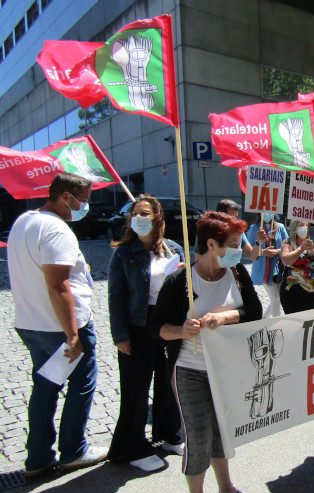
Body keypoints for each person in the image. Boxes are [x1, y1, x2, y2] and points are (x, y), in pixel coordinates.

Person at [148, 211, 262, 493]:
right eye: (234, 244)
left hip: (226, 370)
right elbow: (157, 329)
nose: (241, 251)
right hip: (191, 371)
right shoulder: (180, 282)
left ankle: (225, 487)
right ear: (212, 245)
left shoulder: (237, 273)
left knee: (221, 430)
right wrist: (183, 330)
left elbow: (253, 312)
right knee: (198, 436)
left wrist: (223, 318)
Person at [8, 172, 107, 477]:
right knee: (81, 383)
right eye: (84, 201)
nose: (85, 207)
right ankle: (74, 450)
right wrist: (73, 334)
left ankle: (38, 458)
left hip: (32, 323)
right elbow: (58, 286)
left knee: (46, 387)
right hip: (60, 327)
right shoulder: (56, 230)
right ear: (67, 196)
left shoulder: (24, 221)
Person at [107, 195, 185, 472]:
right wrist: (120, 335)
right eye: (135, 214)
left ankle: (169, 434)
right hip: (137, 327)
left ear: (158, 219)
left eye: (145, 214)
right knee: (136, 389)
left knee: (168, 381)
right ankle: (130, 446)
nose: (139, 218)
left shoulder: (175, 248)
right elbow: (115, 296)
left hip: (167, 324)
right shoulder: (124, 253)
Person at [279, 220, 314, 314]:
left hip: (312, 290)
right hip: (292, 291)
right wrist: (301, 249)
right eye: (301, 225)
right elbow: (285, 260)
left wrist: (313, 251)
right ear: (295, 228)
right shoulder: (288, 242)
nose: (304, 228)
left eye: (306, 225)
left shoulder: (312, 243)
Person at [247, 213, 288, 318]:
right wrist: (263, 252)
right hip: (264, 270)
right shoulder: (254, 228)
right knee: (275, 298)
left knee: (278, 297)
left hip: (278, 269)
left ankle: (264, 319)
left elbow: (286, 245)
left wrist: (277, 251)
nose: (268, 214)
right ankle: (276, 323)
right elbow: (250, 252)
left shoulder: (280, 227)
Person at [194, 199, 261, 262]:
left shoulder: (238, 232)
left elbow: (252, 256)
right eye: (231, 218)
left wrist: (258, 241)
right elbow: (198, 259)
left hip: (232, 273)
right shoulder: (206, 231)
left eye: (236, 217)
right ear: (221, 215)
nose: (234, 221)